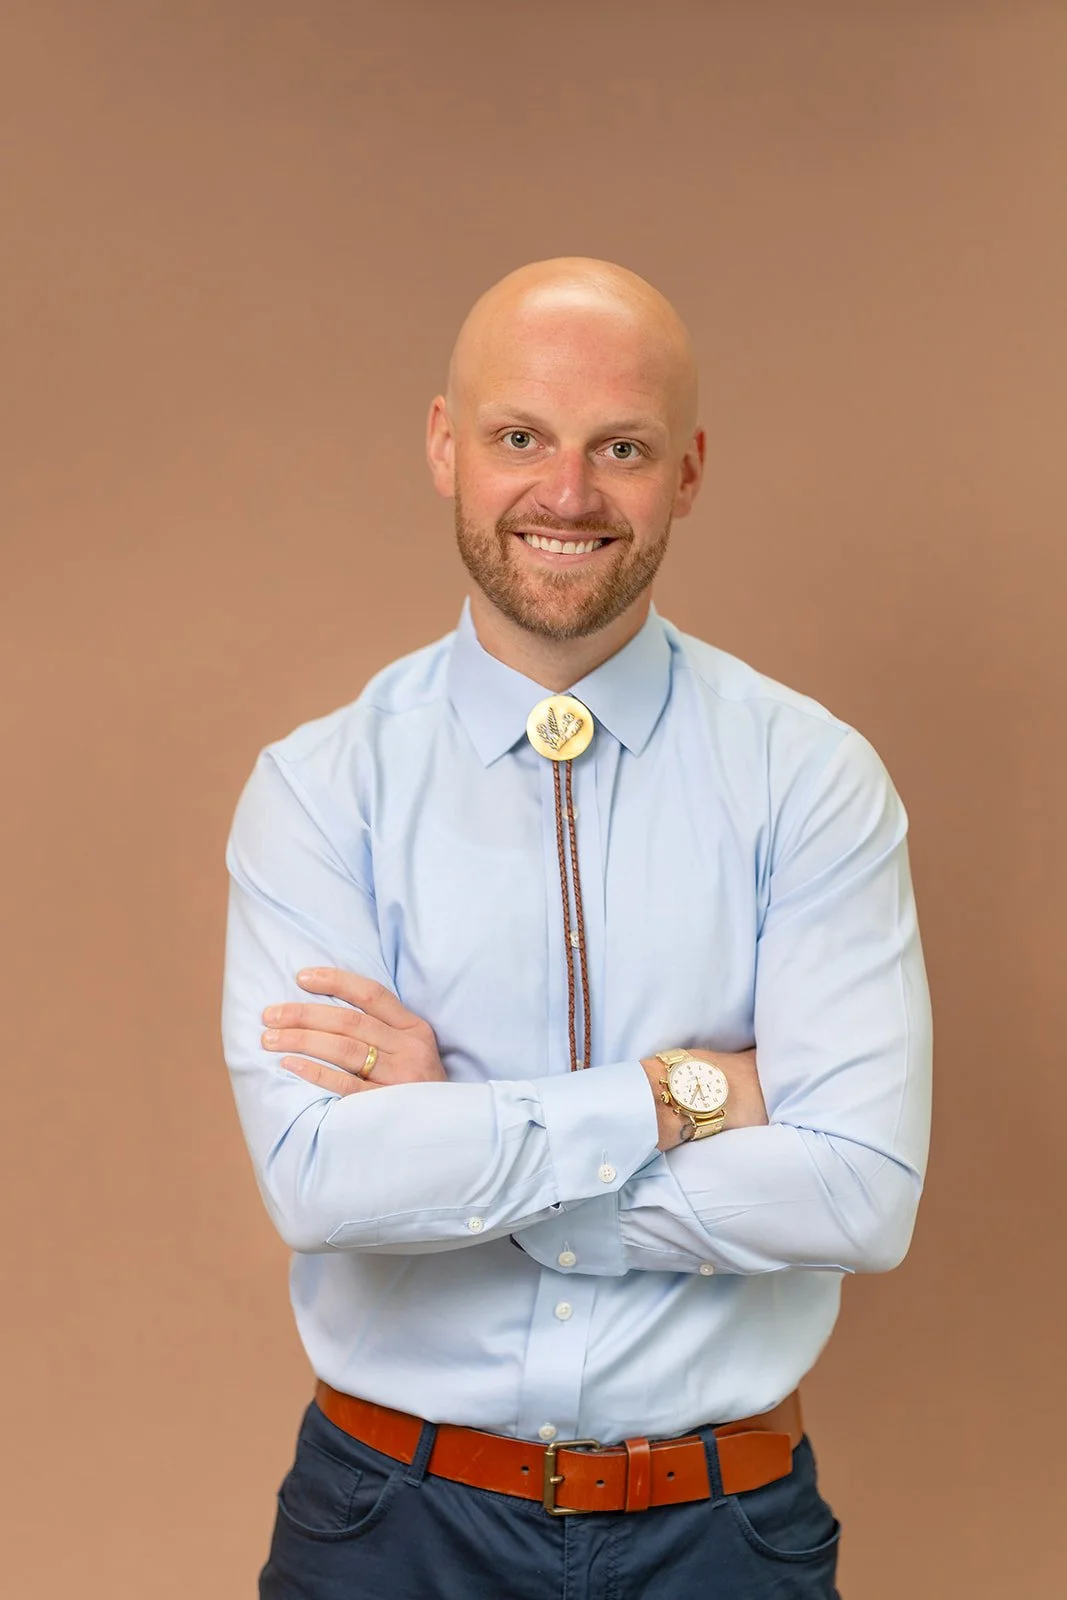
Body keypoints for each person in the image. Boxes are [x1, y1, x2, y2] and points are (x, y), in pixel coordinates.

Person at [221, 256, 933, 1599]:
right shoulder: (320, 790)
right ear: (445, 446)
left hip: (722, 1534)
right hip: (387, 1530)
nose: (566, 494)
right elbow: (320, 1184)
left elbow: (858, 1194)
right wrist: (681, 1095)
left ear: (688, 470)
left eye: (621, 448)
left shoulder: (810, 777)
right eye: (519, 439)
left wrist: (456, 1145)